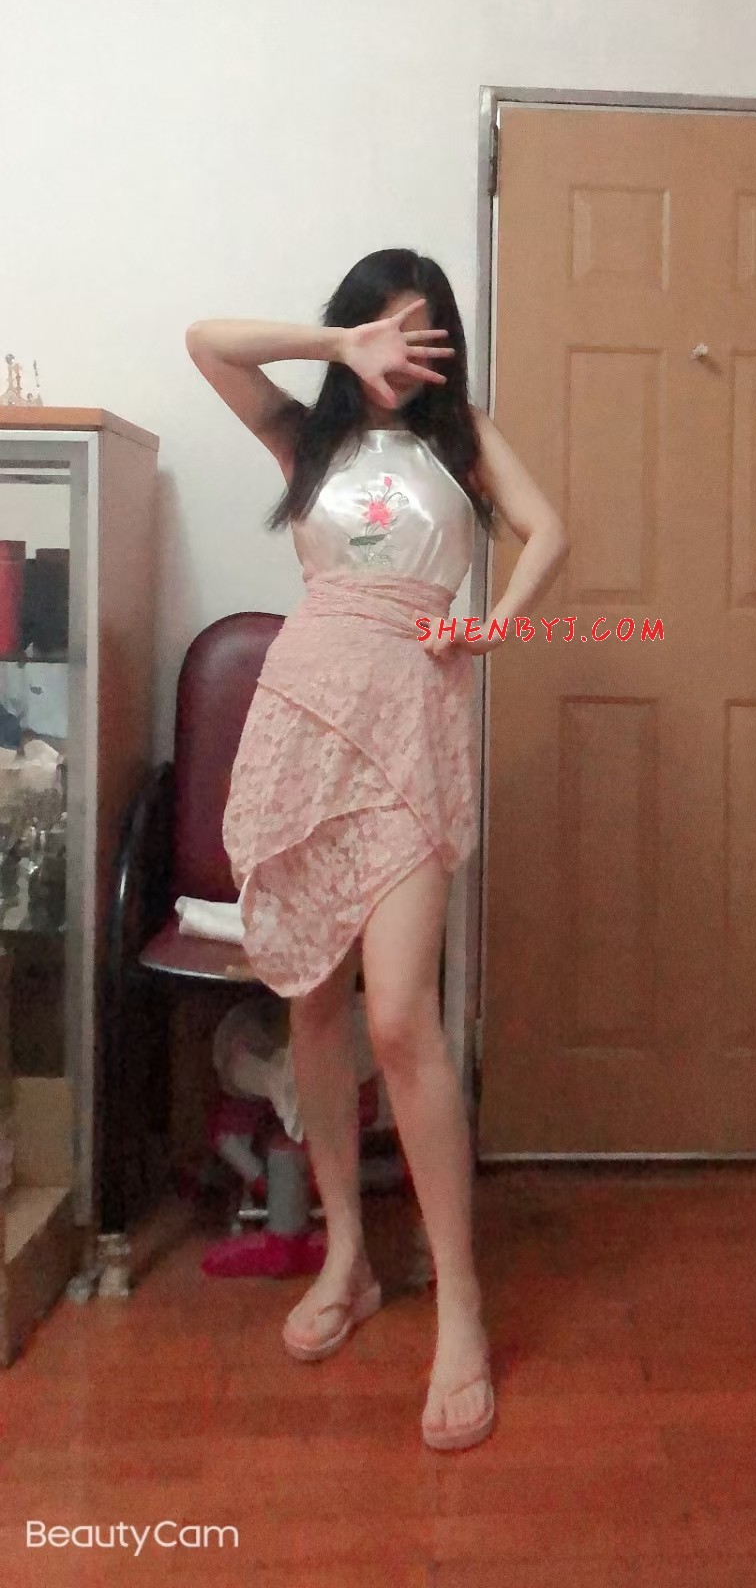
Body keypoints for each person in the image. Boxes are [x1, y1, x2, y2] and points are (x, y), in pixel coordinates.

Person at [186, 248, 568, 1451]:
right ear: (357, 333)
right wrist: (334, 346)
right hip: (304, 718)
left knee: (399, 1017)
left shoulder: (464, 439)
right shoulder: (307, 437)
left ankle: (460, 1297)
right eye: (384, 330)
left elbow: (549, 529)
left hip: (410, 723)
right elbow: (206, 342)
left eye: (423, 332)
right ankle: (346, 1256)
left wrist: (492, 628)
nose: (404, 352)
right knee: (310, 1000)